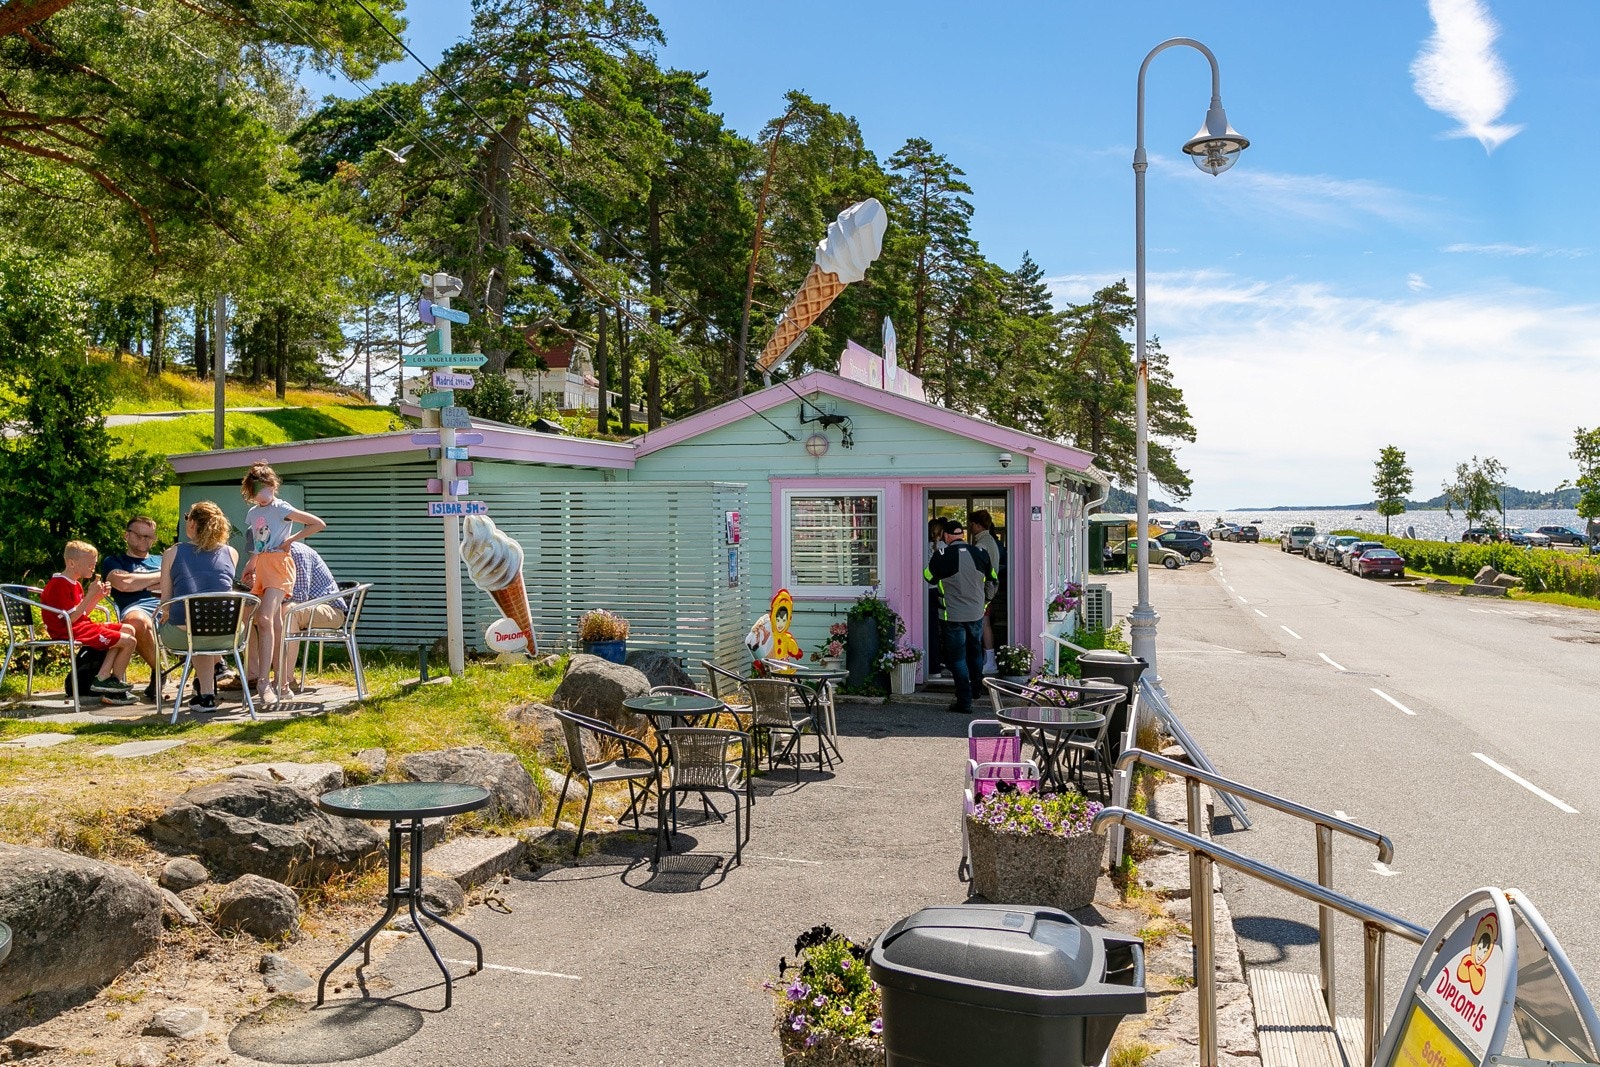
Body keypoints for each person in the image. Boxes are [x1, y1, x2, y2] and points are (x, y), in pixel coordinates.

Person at [239, 462, 326, 705]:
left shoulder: (281, 508)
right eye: (256, 490)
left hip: (279, 565)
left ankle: (264, 682)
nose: (261, 494)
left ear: (272, 486)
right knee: (273, 622)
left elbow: (317, 523)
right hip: (263, 565)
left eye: (265, 488)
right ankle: (282, 684)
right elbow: (258, 542)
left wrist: (291, 540)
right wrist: (251, 563)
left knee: (264, 619)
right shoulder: (253, 513)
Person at [158, 501, 240, 713]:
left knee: (194, 627)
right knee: (204, 624)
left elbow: (165, 601)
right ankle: (206, 689)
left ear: (192, 523)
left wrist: (163, 615)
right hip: (229, 634)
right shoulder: (231, 552)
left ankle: (205, 694)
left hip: (185, 633)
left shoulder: (173, 552)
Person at [40, 542, 138, 705]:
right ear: (72, 563)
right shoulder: (59, 584)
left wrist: (97, 597)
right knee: (129, 642)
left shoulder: (76, 584)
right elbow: (69, 620)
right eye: (90, 564)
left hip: (79, 626)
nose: (93, 568)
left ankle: (105, 677)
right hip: (68, 630)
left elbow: (82, 614)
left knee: (129, 629)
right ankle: (112, 687)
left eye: (94, 563)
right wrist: (90, 594)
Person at [924, 519, 998, 715]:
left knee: (957, 658)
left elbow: (928, 577)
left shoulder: (941, 554)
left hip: (951, 615)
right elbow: (993, 579)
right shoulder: (980, 553)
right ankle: (975, 690)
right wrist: (985, 602)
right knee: (975, 652)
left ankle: (964, 701)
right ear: (962, 535)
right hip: (975, 613)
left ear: (947, 537)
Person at [102, 515, 167, 701]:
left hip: (168, 606)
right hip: (136, 607)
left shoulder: (162, 559)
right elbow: (124, 584)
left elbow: (175, 584)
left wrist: (138, 582)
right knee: (136, 621)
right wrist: (161, 577)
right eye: (138, 535)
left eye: (148, 537)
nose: (143, 540)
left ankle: (209, 678)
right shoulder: (114, 561)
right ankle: (159, 671)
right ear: (126, 535)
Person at [280, 540, 347, 694]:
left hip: (331, 610)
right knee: (253, 611)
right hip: (305, 607)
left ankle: (287, 679)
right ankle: (253, 676)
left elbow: (299, 595)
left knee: (289, 611)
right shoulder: (268, 555)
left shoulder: (297, 553)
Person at [969, 510, 1003, 675]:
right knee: (985, 623)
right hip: (989, 588)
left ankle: (989, 661)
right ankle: (988, 659)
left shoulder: (982, 545)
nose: (970, 527)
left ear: (977, 524)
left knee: (984, 624)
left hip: (983, 590)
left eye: (972, 524)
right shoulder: (990, 541)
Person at [926, 516, 947, 676]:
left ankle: (932, 665)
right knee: (945, 627)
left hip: (925, 591)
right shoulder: (944, 548)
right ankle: (942, 661)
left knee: (929, 628)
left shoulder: (922, 546)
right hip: (939, 591)